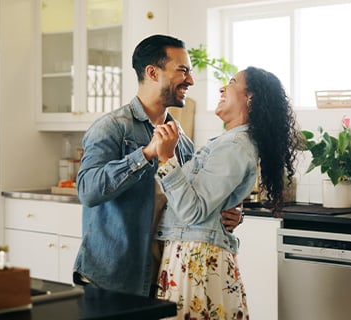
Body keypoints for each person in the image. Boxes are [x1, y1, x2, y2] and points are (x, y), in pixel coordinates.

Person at [73, 34, 243, 297]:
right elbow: (88, 191)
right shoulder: (112, 127)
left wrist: (225, 214)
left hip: (163, 278)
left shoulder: (181, 141)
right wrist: (146, 154)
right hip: (111, 280)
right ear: (152, 72)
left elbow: (188, 205)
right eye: (182, 70)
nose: (190, 80)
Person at [151, 67, 300, 320]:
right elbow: (207, 201)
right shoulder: (231, 143)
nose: (222, 88)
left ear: (250, 98)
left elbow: (193, 210)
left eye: (231, 83)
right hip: (195, 253)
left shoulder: (233, 146)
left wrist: (166, 159)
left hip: (194, 257)